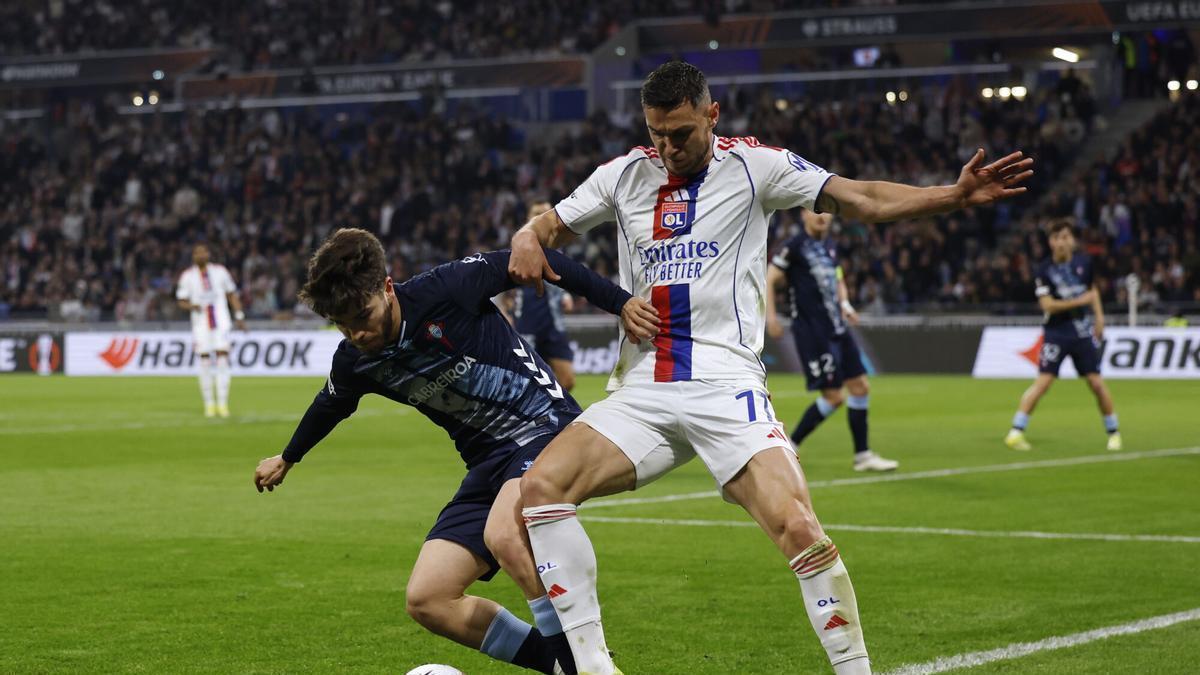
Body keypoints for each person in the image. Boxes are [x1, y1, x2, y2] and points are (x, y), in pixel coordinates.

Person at [507, 60, 1032, 674]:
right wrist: (527, 233)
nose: (668, 147)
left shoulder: (757, 167)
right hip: (644, 386)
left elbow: (858, 197)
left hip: (727, 382)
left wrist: (954, 194)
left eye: (680, 132)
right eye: (657, 134)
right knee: (541, 489)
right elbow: (546, 227)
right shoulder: (623, 175)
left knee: (798, 524)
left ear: (712, 115)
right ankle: (595, 669)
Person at [252, 228, 658, 674]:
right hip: (487, 464)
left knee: (504, 532)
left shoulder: (447, 288)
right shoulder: (356, 359)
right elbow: (331, 403)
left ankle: (586, 663)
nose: (357, 332)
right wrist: (288, 458)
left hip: (545, 428)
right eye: (342, 325)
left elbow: (540, 260)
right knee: (428, 597)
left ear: (387, 288)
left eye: (362, 315)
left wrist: (620, 303)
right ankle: (562, 664)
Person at [765, 210, 899, 472]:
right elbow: (770, 279)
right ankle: (790, 444)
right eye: (815, 211)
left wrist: (846, 304)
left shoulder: (829, 245)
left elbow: (837, 278)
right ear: (803, 215)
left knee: (860, 387)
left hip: (838, 327)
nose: (822, 216)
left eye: (826, 211)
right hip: (813, 332)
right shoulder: (794, 246)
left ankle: (863, 456)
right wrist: (771, 317)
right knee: (834, 396)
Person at [1005, 218, 1121, 452]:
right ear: (1050, 242)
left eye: (1065, 237)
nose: (1061, 242)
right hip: (1056, 333)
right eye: (1057, 238)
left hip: (1081, 331)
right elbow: (1048, 306)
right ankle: (1016, 431)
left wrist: (1099, 317)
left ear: (1073, 241)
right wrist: (1080, 301)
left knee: (1096, 383)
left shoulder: (1084, 263)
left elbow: (1092, 291)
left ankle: (1114, 433)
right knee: (1044, 382)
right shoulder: (1044, 270)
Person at [510, 202, 578, 392]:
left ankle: (551, 414)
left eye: (545, 212)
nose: (542, 217)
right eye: (537, 213)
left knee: (567, 380)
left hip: (553, 323)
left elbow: (560, 281)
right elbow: (502, 287)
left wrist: (566, 296)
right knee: (527, 383)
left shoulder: (558, 249)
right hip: (528, 322)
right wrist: (505, 311)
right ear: (528, 219)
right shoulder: (518, 247)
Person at [176, 243, 246, 417]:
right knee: (205, 361)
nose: (201, 255)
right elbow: (181, 300)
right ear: (193, 256)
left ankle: (222, 404)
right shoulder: (187, 276)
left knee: (223, 359)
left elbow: (231, 294)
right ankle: (209, 404)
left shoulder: (220, 272)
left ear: (208, 254)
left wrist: (239, 316)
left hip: (221, 322)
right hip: (201, 324)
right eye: (197, 252)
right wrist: (192, 305)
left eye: (203, 251)